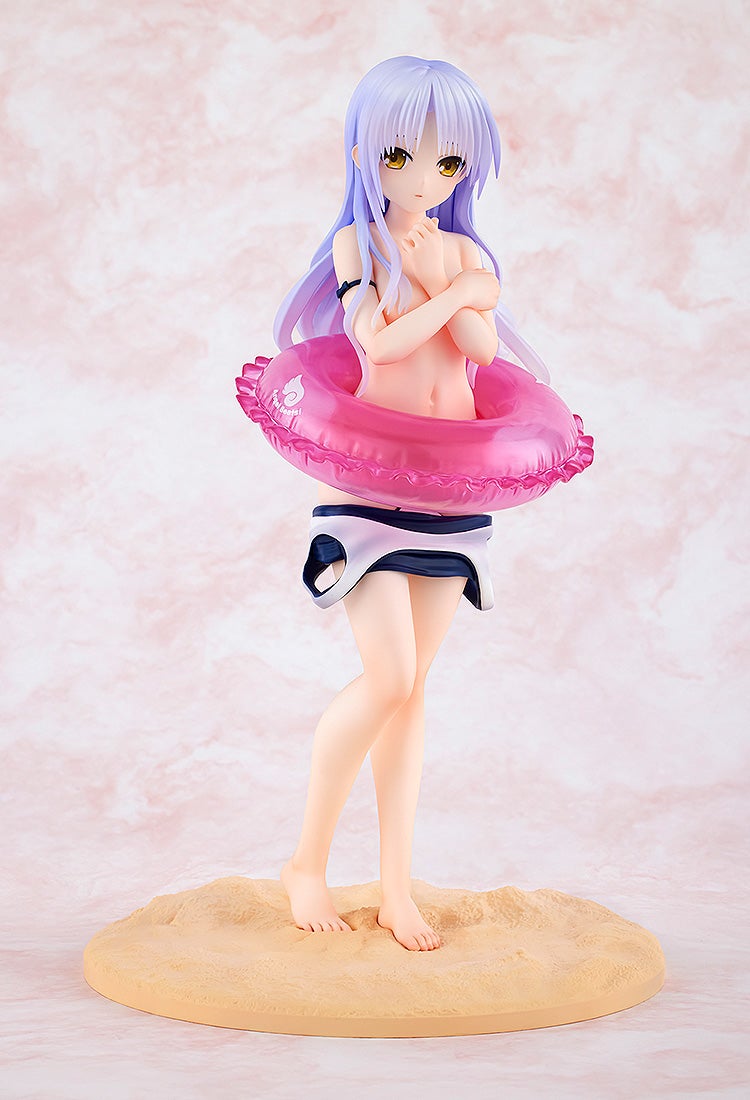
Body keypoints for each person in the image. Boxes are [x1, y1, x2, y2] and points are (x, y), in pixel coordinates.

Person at [276, 56, 547, 952]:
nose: (425, 178)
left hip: (448, 495)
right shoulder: (359, 246)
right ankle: (306, 862)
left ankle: (396, 886)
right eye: (401, 155)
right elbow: (380, 344)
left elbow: (482, 347)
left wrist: (456, 280)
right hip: (364, 491)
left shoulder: (464, 253)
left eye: (447, 161)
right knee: (388, 677)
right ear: (363, 152)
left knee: (414, 689)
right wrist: (450, 287)